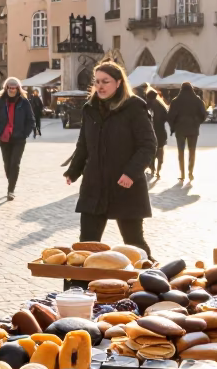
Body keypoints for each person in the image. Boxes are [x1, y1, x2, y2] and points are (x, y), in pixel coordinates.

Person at [64, 61, 156, 253]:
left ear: (119, 82)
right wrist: (74, 170)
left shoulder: (134, 107)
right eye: (97, 81)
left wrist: (131, 173)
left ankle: (149, 281)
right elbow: (83, 144)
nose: (100, 86)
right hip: (94, 186)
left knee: (134, 243)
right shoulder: (90, 108)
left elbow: (148, 145)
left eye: (105, 81)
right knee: (86, 245)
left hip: (125, 185)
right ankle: (81, 283)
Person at [0, 77, 35, 201]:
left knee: (15, 163)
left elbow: (31, 120)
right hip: (4, 138)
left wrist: (25, 133)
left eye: (14, 88)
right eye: (10, 88)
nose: (12, 90)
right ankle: (11, 181)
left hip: (19, 139)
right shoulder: (0, 102)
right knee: (7, 164)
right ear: (6, 88)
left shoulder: (24, 102)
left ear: (18, 89)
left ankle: (11, 190)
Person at [165, 81, 205, 182]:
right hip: (193, 129)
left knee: (181, 151)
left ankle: (182, 174)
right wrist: (197, 122)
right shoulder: (197, 100)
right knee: (192, 151)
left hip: (180, 129)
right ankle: (190, 172)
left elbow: (170, 117)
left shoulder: (176, 101)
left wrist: (173, 127)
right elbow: (204, 115)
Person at [144, 88, 169, 179]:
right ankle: (158, 170)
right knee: (160, 150)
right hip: (161, 132)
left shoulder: (145, 105)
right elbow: (167, 117)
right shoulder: (161, 105)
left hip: (149, 132)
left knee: (151, 151)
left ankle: (152, 169)